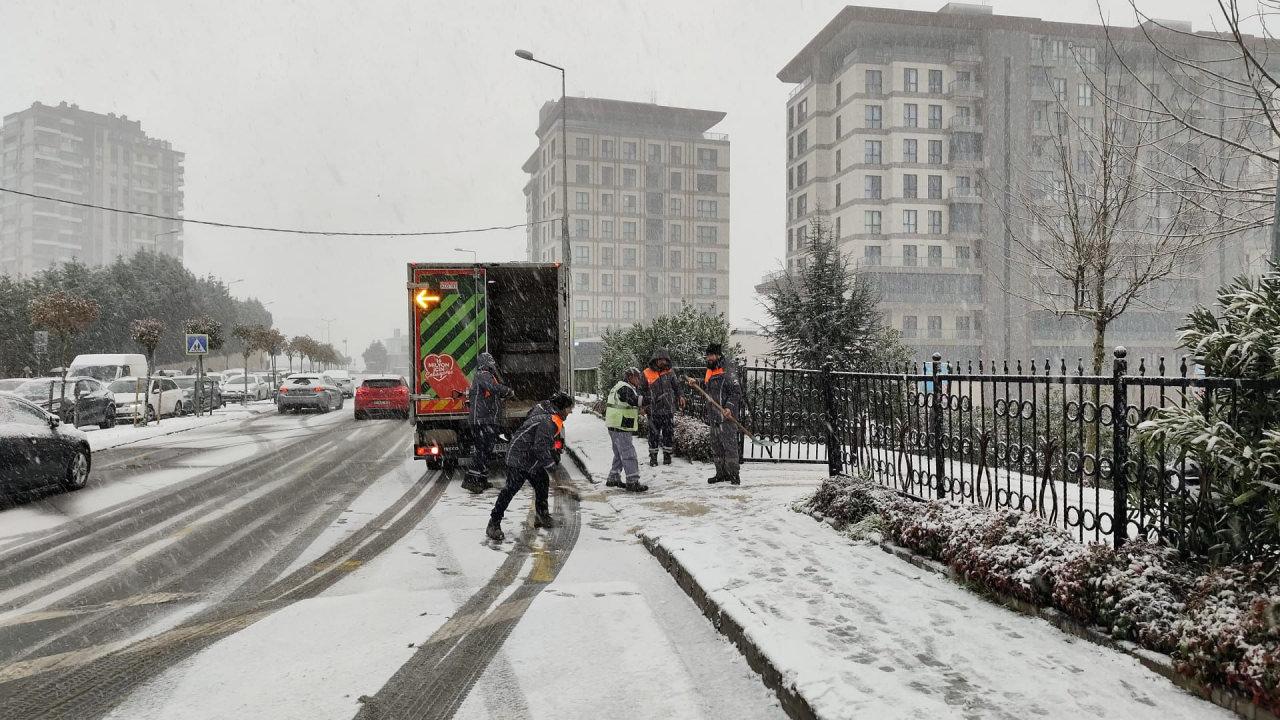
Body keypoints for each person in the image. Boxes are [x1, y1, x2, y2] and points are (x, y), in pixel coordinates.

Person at [486, 390, 574, 541]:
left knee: (542, 482)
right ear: (561, 407)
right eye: (569, 409)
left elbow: (540, 442)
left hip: (529, 457)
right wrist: (554, 470)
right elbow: (540, 448)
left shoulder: (544, 411)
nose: (570, 412)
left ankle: (542, 516)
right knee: (510, 490)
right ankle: (493, 523)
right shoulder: (548, 421)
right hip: (519, 457)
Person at [686, 342, 742, 485]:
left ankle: (734, 475)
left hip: (726, 416)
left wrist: (729, 407)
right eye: (707, 356)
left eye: (711, 355)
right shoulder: (710, 371)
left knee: (730, 447)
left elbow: (736, 392)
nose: (708, 358)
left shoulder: (727, 370)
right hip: (714, 415)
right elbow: (707, 386)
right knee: (716, 446)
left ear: (718, 355)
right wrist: (696, 382)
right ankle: (721, 473)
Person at [462, 352, 514, 494]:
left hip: (484, 420)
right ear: (486, 363)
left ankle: (481, 480)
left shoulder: (483, 375)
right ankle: (472, 481)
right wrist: (508, 391)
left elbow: (490, 394)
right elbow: (493, 388)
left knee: (485, 451)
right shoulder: (484, 375)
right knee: (482, 452)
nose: (492, 364)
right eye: (490, 361)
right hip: (482, 421)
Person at [639, 348, 685, 466]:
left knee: (668, 434)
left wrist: (681, 396)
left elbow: (677, 386)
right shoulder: (646, 373)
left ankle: (667, 456)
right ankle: (653, 457)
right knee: (653, 435)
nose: (663, 362)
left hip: (668, 409)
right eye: (660, 360)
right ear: (655, 360)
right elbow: (641, 391)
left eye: (665, 360)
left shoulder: (670, 372)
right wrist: (643, 406)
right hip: (653, 410)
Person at [604, 367, 648, 492]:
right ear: (630, 377)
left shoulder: (619, 386)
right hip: (621, 424)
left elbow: (627, 404)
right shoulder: (624, 388)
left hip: (615, 424)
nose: (639, 380)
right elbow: (634, 401)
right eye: (637, 377)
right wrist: (650, 399)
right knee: (628, 453)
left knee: (619, 453)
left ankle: (613, 477)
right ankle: (632, 481)